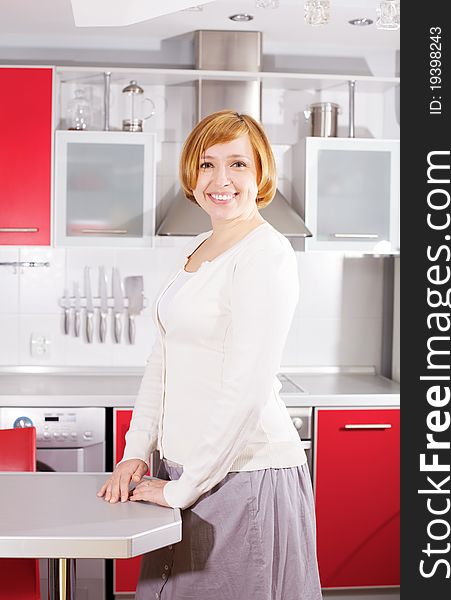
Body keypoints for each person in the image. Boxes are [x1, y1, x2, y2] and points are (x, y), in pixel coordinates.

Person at [98, 110, 323, 600]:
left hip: (241, 475)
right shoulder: (200, 247)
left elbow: (245, 389)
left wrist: (183, 489)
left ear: (261, 173)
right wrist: (135, 454)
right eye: (207, 165)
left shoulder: (267, 253)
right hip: (183, 471)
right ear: (191, 175)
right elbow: (163, 363)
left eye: (238, 164)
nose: (221, 180)